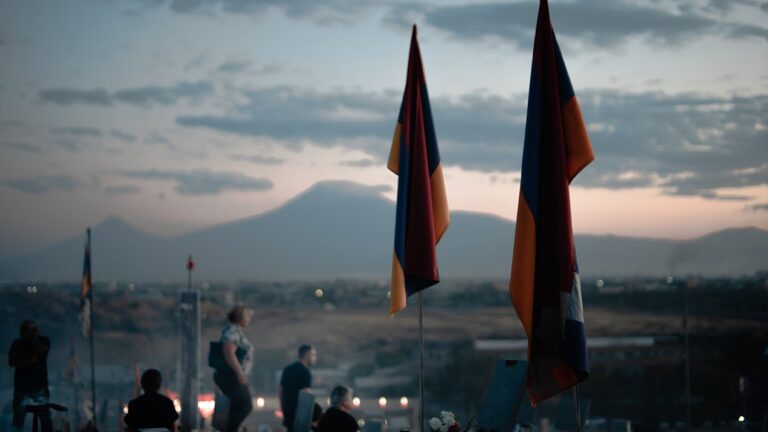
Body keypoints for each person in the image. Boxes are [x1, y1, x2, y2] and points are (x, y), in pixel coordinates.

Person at [214, 304, 255, 432]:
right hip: (232, 376)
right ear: (240, 317)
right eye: (247, 316)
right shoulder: (232, 331)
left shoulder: (234, 330)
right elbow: (229, 352)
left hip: (232, 376)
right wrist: (240, 373)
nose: (249, 319)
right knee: (245, 406)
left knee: (235, 407)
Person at [8, 320, 51, 432]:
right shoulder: (17, 343)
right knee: (18, 422)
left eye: (30, 330)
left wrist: (33, 339)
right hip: (22, 389)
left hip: (39, 387)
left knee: (45, 421)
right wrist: (30, 361)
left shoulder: (43, 340)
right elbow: (12, 362)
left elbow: (42, 351)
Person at [279, 344, 317, 432]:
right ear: (306, 355)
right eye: (313, 355)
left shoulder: (287, 369)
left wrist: (284, 411)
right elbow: (306, 396)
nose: (315, 358)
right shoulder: (305, 371)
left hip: (288, 414)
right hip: (300, 417)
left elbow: (281, 393)